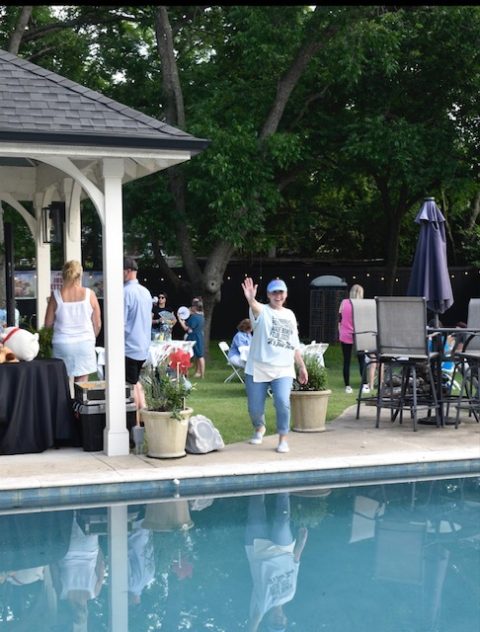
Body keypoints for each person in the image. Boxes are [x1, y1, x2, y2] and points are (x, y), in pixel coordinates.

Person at [241, 277, 308, 454]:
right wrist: (251, 299)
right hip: (258, 367)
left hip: (283, 368)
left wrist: (301, 366)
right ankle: (259, 427)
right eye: (274, 293)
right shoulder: (262, 310)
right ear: (269, 295)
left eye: (281, 292)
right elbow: (255, 307)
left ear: (286, 294)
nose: (278, 296)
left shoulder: (290, 315)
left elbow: (294, 344)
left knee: (282, 402)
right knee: (255, 408)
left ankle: (283, 438)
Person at [244, 492, 308, 632]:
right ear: (286, 619)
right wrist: (301, 543)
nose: (278, 621)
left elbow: (253, 625)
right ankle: (284, 488)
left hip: (258, 551)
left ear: (268, 620)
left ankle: (258, 482)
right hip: (283, 551)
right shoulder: (290, 594)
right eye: (281, 624)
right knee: (282, 522)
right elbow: (295, 564)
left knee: (256, 510)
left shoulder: (262, 606)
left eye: (274, 624)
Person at [44, 260, 101, 383]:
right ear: (80, 275)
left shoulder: (56, 296)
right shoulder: (90, 294)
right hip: (85, 343)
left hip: (62, 344)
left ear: (63, 275)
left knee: (62, 381)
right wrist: (91, 337)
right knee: (81, 384)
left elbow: (47, 324)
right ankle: (79, 396)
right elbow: (97, 324)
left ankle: (64, 396)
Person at [123, 256, 152, 421]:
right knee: (136, 382)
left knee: (130, 386)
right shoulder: (145, 292)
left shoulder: (125, 292)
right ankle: (144, 418)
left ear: (127, 271)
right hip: (143, 346)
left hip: (129, 347)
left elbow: (121, 323)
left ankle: (137, 423)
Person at [338, 284, 368, 395]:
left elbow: (340, 320)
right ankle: (364, 385)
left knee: (346, 361)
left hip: (345, 334)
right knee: (362, 360)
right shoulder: (362, 305)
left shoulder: (344, 302)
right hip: (359, 335)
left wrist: (340, 332)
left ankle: (347, 386)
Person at [178, 297, 206, 378]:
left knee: (188, 355)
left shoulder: (194, 317)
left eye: (192, 306)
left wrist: (180, 320)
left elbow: (186, 328)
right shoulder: (201, 316)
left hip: (193, 337)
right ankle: (202, 374)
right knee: (200, 355)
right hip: (199, 336)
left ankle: (186, 373)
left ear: (195, 307)